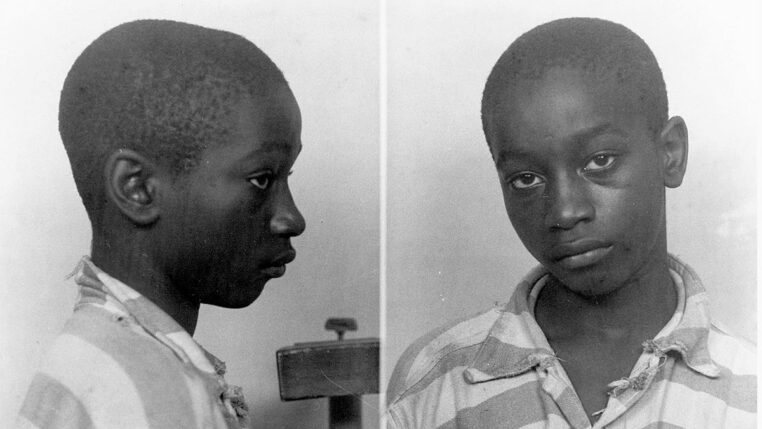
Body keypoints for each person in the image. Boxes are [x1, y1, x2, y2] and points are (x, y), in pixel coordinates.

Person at [386, 17, 755, 428]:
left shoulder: (749, 392)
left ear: (670, 152)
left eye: (600, 161)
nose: (564, 212)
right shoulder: (432, 385)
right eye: (526, 179)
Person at [17, 19, 305, 429]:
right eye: (262, 179)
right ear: (138, 188)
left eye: (286, 176)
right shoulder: (148, 398)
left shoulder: (101, 357)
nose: (293, 219)